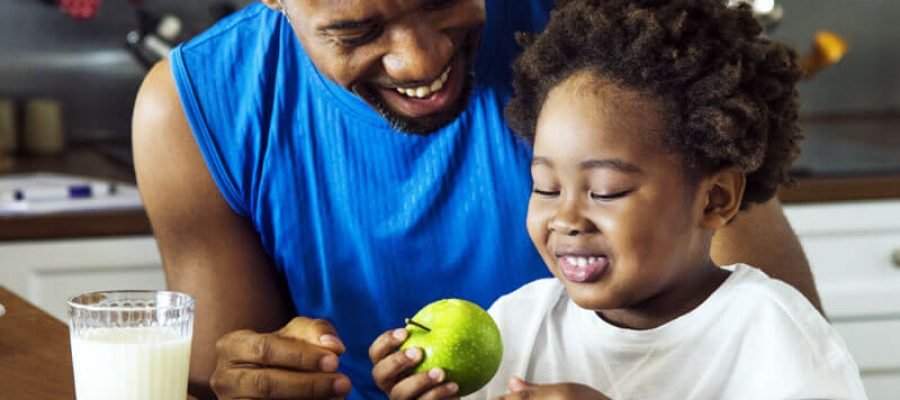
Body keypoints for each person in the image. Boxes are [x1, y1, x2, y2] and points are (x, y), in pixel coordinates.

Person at [132, 0, 822, 399]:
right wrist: (256, 375)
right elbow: (211, 378)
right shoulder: (198, 109)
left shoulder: (621, 56)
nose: (420, 60)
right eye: (359, 31)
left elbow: (754, 333)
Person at [371, 0, 866, 398]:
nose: (565, 217)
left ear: (714, 199)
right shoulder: (519, 325)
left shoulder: (769, 333)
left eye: (605, 191)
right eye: (545, 187)